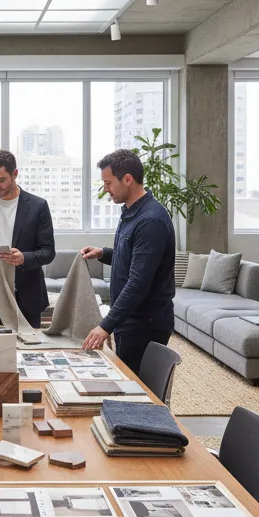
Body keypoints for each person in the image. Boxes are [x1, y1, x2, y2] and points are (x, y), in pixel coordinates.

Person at [80, 149, 175, 376]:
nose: (105, 189)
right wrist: (103, 253)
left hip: (144, 325)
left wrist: (105, 326)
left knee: (136, 389)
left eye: (108, 183)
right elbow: (133, 258)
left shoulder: (151, 221)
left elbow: (138, 282)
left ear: (128, 179)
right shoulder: (132, 212)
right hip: (129, 321)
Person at [0, 148, 55, 328]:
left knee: (29, 345)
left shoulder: (38, 206)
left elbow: (48, 251)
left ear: (15, 174)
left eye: (1, 180)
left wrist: (24, 258)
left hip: (28, 296)